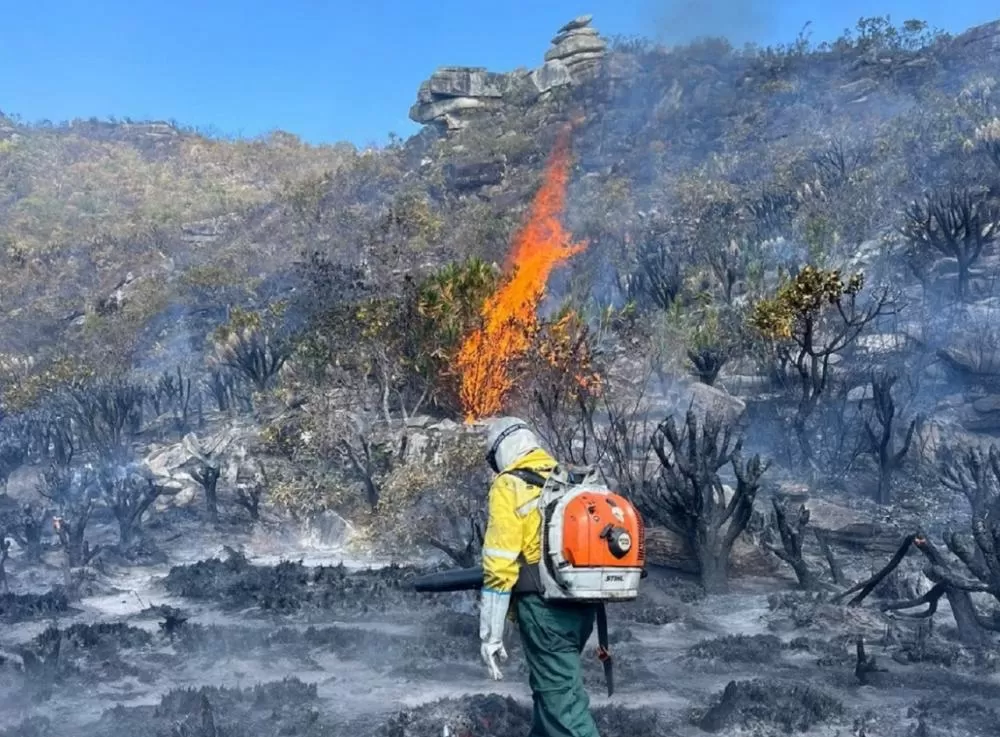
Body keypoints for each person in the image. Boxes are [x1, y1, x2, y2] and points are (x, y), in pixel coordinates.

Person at [479, 416, 601, 737]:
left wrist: (491, 635)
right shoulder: (568, 482)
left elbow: (499, 566)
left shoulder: (510, 484)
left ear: (500, 451)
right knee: (549, 694)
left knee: (564, 709)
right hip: (583, 606)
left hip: (545, 610)